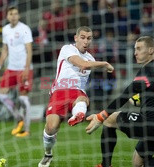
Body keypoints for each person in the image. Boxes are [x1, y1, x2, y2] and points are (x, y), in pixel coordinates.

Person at [85, 36, 154, 167]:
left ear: (151, 50)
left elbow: (124, 97)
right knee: (138, 163)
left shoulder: (146, 73)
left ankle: (105, 165)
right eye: (135, 49)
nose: (135, 52)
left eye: (139, 49)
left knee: (110, 119)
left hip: (151, 125)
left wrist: (101, 116)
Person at [38, 26, 114, 167]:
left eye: (89, 38)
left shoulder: (90, 58)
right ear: (76, 38)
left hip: (77, 92)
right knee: (51, 127)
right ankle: (48, 154)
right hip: (59, 92)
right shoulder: (67, 49)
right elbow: (82, 64)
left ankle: (78, 114)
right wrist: (104, 64)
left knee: (82, 99)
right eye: (83, 37)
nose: (86, 41)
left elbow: (86, 67)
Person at [0, 7, 33, 138]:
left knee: (23, 98)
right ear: (7, 17)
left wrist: (27, 68)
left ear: (19, 15)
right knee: (1, 95)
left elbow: (29, 50)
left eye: (16, 13)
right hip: (11, 68)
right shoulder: (5, 30)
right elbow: (5, 50)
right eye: (11, 14)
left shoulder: (25, 28)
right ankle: (19, 117)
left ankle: (26, 130)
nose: (14, 16)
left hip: (23, 68)